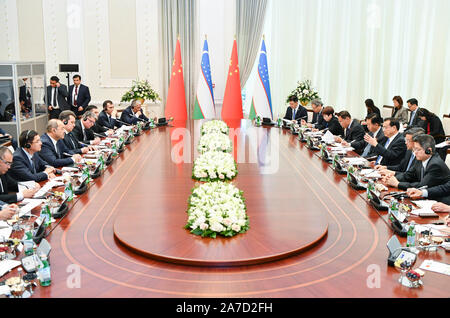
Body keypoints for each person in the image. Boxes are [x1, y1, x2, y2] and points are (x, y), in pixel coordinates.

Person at [384, 134, 450, 190]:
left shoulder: (435, 165)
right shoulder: (420, 159)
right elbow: (407, 175)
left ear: (429, 150)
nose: (415, 152)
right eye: (414, 149)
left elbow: (422, 186)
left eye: (418, 149)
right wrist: (391, 178)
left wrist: (398, 184)